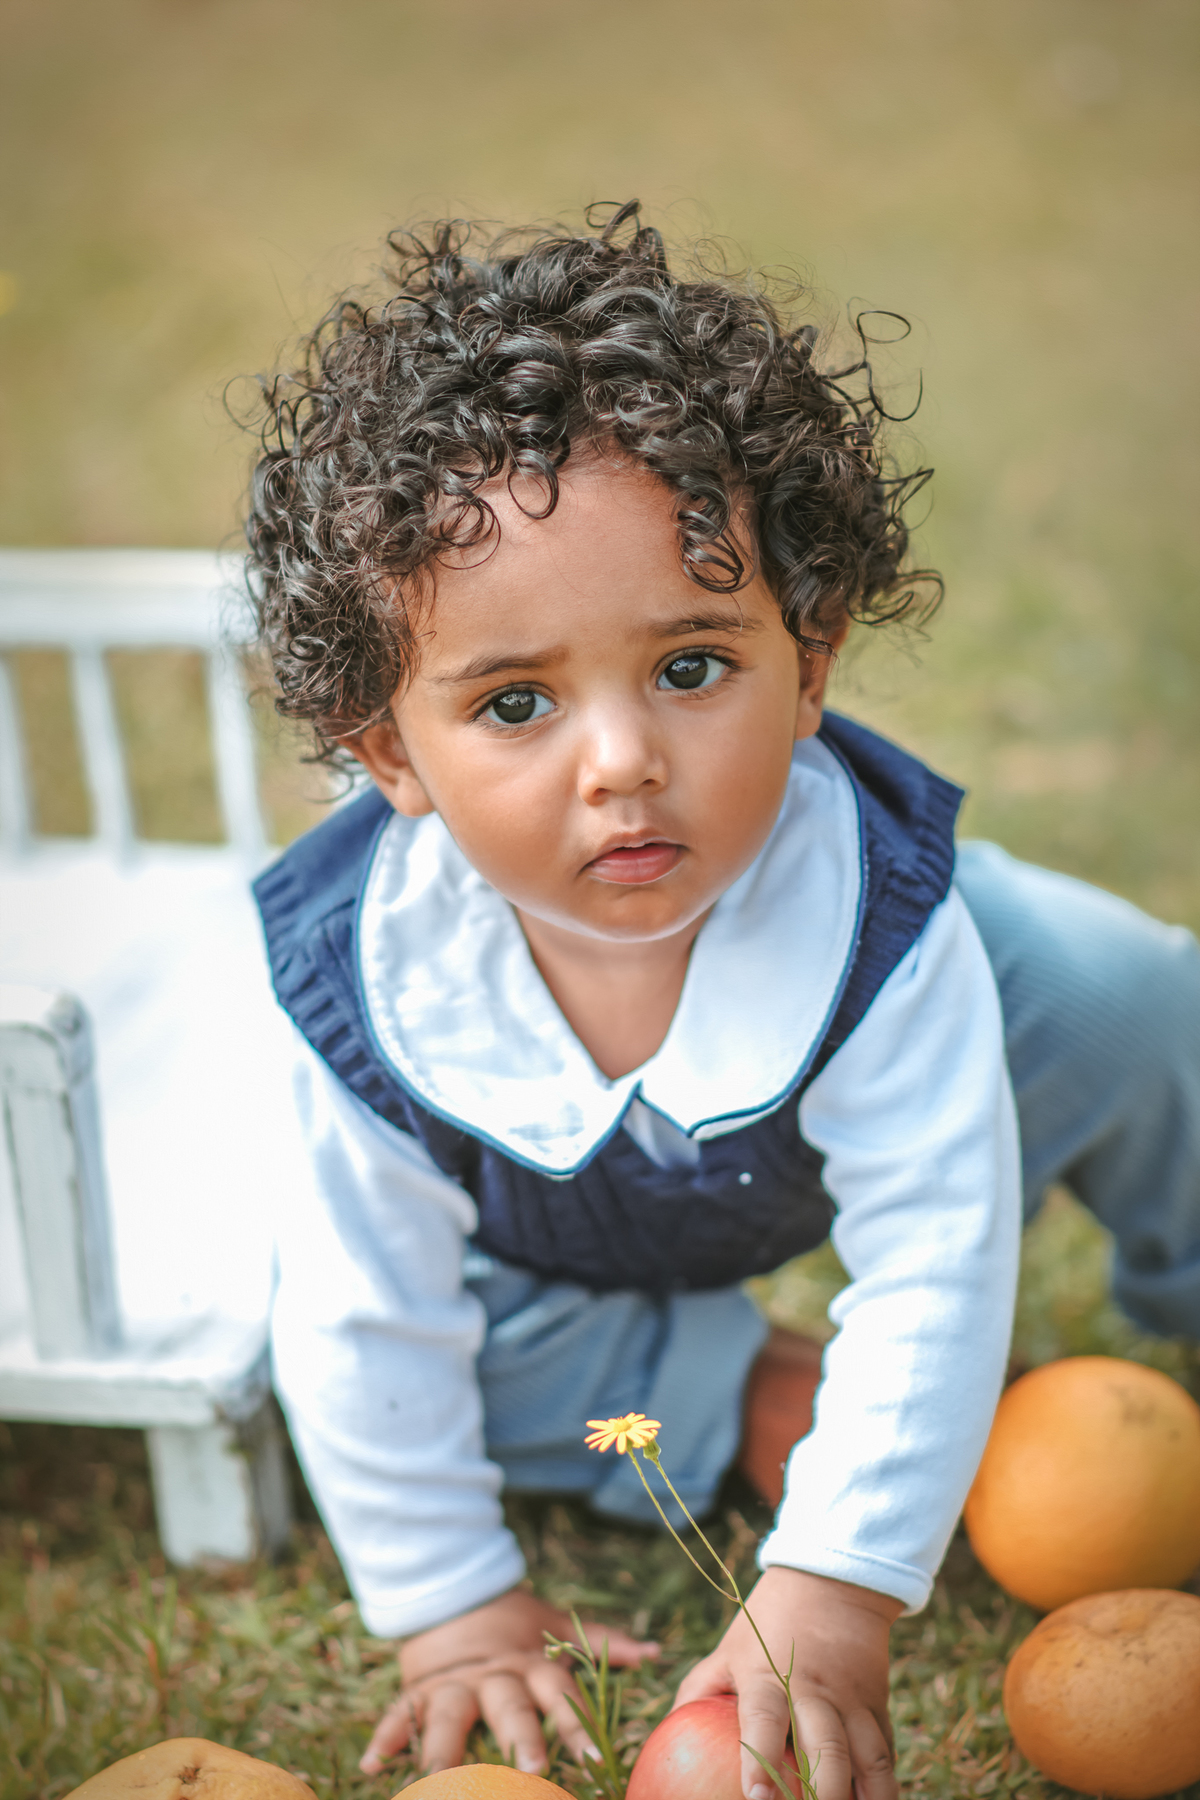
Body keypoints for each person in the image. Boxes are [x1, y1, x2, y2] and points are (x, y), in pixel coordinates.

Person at [244, 203, 1200, 1800]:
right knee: (376, 1363)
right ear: (391, 753)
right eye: (518, 702)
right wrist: (454, 1612)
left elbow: (933, 1255)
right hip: (557, 1230)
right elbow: (365, 1314)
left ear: (810, 664)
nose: (621, 761)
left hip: (902, 1038)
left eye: (692, 667)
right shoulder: (376, 988)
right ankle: (738, 1391)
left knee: (1139, 1005)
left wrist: (832, 1589)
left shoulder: (886, 933)